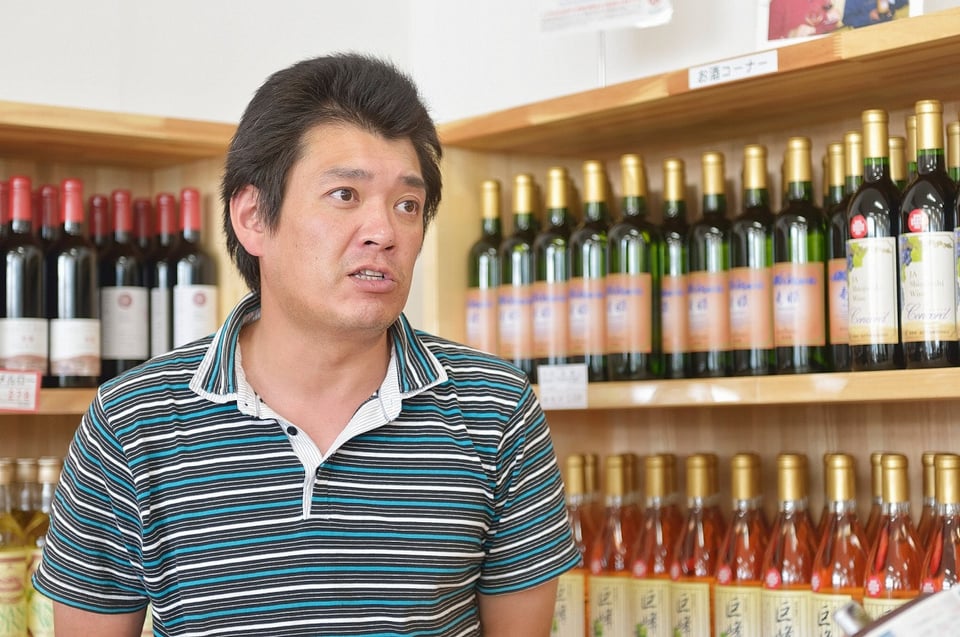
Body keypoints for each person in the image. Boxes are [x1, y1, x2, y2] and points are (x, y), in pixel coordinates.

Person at [33, 53, 580, 636]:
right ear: (253, 217)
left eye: (407, 205)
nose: (384, 232)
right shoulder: (132, 421)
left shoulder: (495, 408)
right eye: (345, 194)